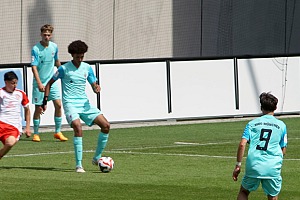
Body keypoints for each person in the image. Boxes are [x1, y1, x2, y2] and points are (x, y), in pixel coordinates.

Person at [42, 40, 110, 173]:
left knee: (106, 126)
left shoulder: (87, 67)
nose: (80, 59)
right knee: (78, 127)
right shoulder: (63, 69)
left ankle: (96, 158)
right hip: (70, 104)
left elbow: (93, 83)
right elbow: (49, 83)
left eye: (82, 56)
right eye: (77, 56)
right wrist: (45, 101)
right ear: (72, 55)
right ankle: (79, 165)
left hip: (84, 104)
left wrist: (96, 88)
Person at [232, 92, 288, 200]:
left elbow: (242, 144)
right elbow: (283, 150)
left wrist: (238, 165)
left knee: (244, 191)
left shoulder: (252, 124)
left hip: (254, 164)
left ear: (261, 107)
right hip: (272, 165)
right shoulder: (282, 125)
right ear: (275, 107)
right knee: (273, 196)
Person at [31, 24, 68, 142]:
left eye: (48, 35)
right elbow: (34, 67)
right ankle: (36, 133)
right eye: (44, 34)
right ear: (41, 34)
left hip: (51, 82)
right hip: (39, 83)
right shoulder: (36, 49)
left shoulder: (54, 47)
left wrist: (63, 72)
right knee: (38, 109)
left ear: (51, 35)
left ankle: (57, 131)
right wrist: (39, 83)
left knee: (58, 105)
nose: (46, 37)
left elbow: (56, 61)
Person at [0, 71, 31, 159]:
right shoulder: (1, 93)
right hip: (1, 123)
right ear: (6, 82)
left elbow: (27, 110)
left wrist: (28, 127)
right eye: (12, 83)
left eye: (16, 83)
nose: (15, 85)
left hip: (14, 126)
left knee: (10, 143)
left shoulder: (20, 93)